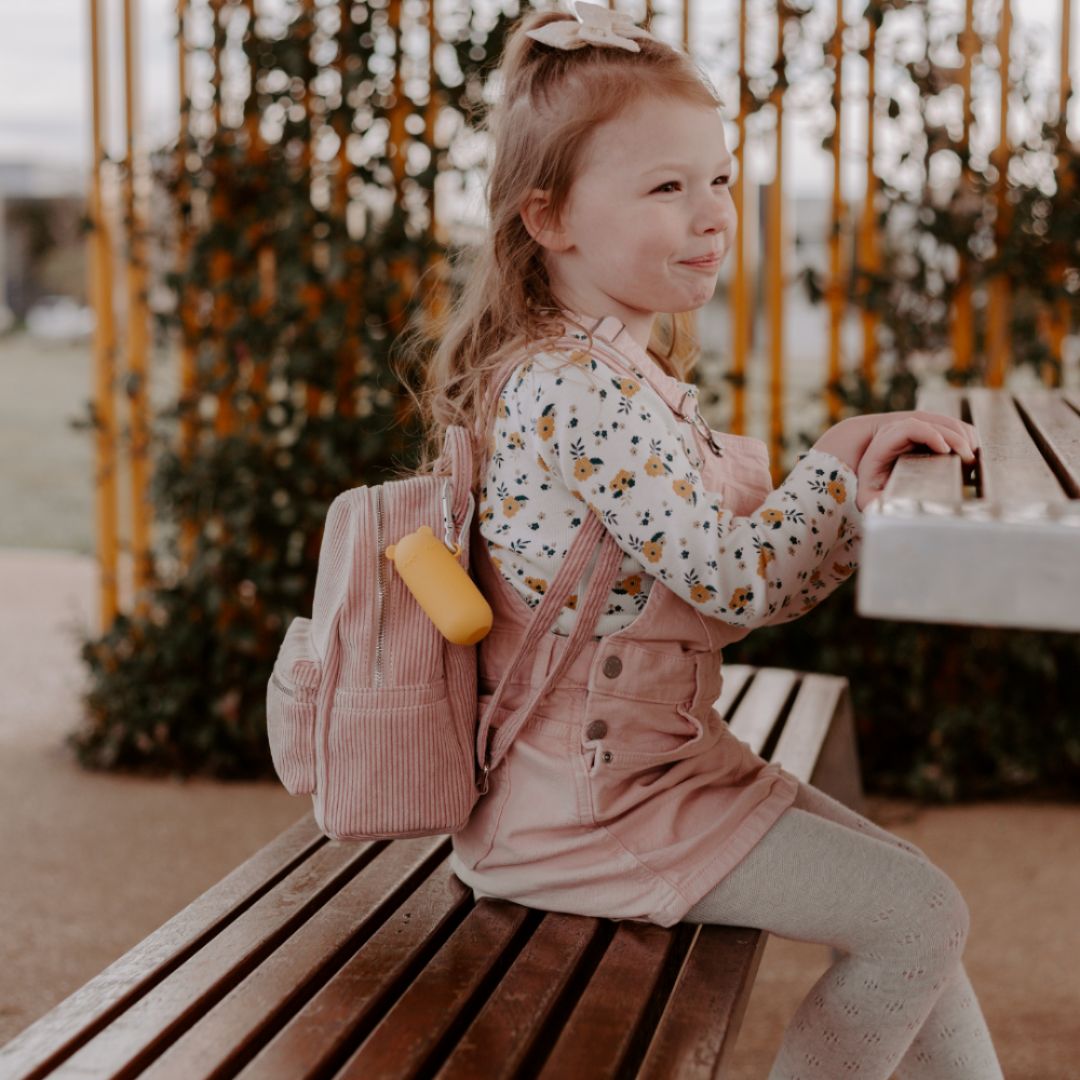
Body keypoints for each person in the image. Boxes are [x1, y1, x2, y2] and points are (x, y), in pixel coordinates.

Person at [400, 3, 1002, 1077]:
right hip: (587, 812)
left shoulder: (607, 368)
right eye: (667, 188)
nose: (713, 214)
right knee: (920, 914)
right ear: (549, 218)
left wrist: (846, 466)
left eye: (718, 180)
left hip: (643, 771)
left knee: (914, 903)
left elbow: (731, 569)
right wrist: (837, 464)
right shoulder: (583, 389)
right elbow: (736, 584)